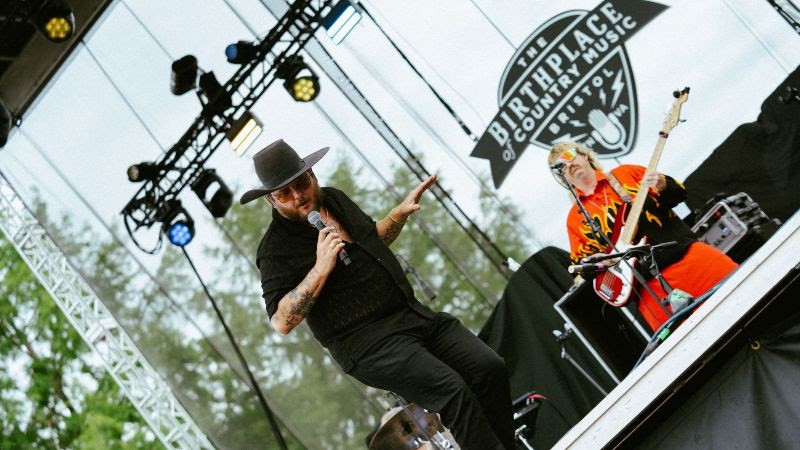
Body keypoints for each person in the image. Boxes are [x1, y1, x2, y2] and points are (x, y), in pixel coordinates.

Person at [240, 139, 516, 450]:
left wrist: (397, 217)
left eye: (301, 183)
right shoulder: (275, 249)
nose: (297, 196)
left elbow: (371, 244)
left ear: (312, 174)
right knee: (453, 392)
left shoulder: (336, 200)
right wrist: (320, 267)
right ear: (271, 201)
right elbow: (281, 322)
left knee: (488, 367)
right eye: (284, 194)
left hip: (410, 313)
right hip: (369, 345)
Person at [547, 141, 738, 331]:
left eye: (570, 156)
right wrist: (595, 263)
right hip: (652, 292)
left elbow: (679, 194)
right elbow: (585, 266)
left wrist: (663, 184)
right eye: (560, 166)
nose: (569, 165)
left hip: (693, 260)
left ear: (585, 155)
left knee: (743, 296)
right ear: (563, 179)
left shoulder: (626, 174)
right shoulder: (576, 219)